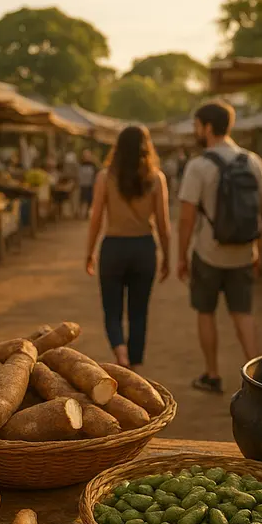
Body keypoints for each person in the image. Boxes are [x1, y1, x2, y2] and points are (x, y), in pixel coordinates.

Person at [177, 100, 262, 394]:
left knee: (206, 313)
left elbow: (187, 218)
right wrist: (258, 250)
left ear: (207, 127)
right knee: (243, 314)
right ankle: (260, 382)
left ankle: (212, 374)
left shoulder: (199, 165)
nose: (195, 131)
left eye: (196, 126)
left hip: (208, 253)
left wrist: (181, 256)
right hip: (243, 253)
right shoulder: (253, 161)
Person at [85, 126, 171, 370]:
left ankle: (119, 351)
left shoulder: (105, 176)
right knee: (139, 312)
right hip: (144, 248)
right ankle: (133, 364)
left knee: (111, 309)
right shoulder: (156, 178)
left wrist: (89, 252)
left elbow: (96, 218)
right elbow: (164, 225)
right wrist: (167, 256)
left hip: (113, 248)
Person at [78, 150, 99, 219]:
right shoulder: (80, 164)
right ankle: (81, 214)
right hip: (82, 185)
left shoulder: (93, 165)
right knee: (83, 200)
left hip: (90, 185)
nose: (87, 157)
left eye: (88, 155)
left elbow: (97, 174)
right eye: (86, 155)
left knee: (90, 200)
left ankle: (87, 214)